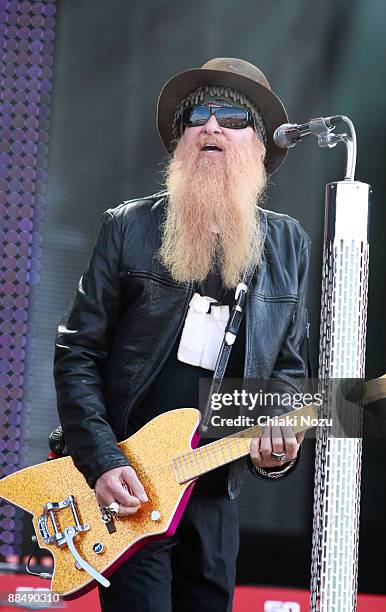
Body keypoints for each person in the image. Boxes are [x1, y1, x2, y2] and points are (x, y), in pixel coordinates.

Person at [53, 58, 311, 612]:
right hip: (131, 485)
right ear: (179, 143)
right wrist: (101, 461)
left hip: (214, 488)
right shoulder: (129, 227)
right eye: (199, 114)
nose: (212, 126)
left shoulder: (287, 244)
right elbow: (78, 351)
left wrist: (276, 448)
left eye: (233, 117)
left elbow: (288, 371)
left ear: (261, 149)